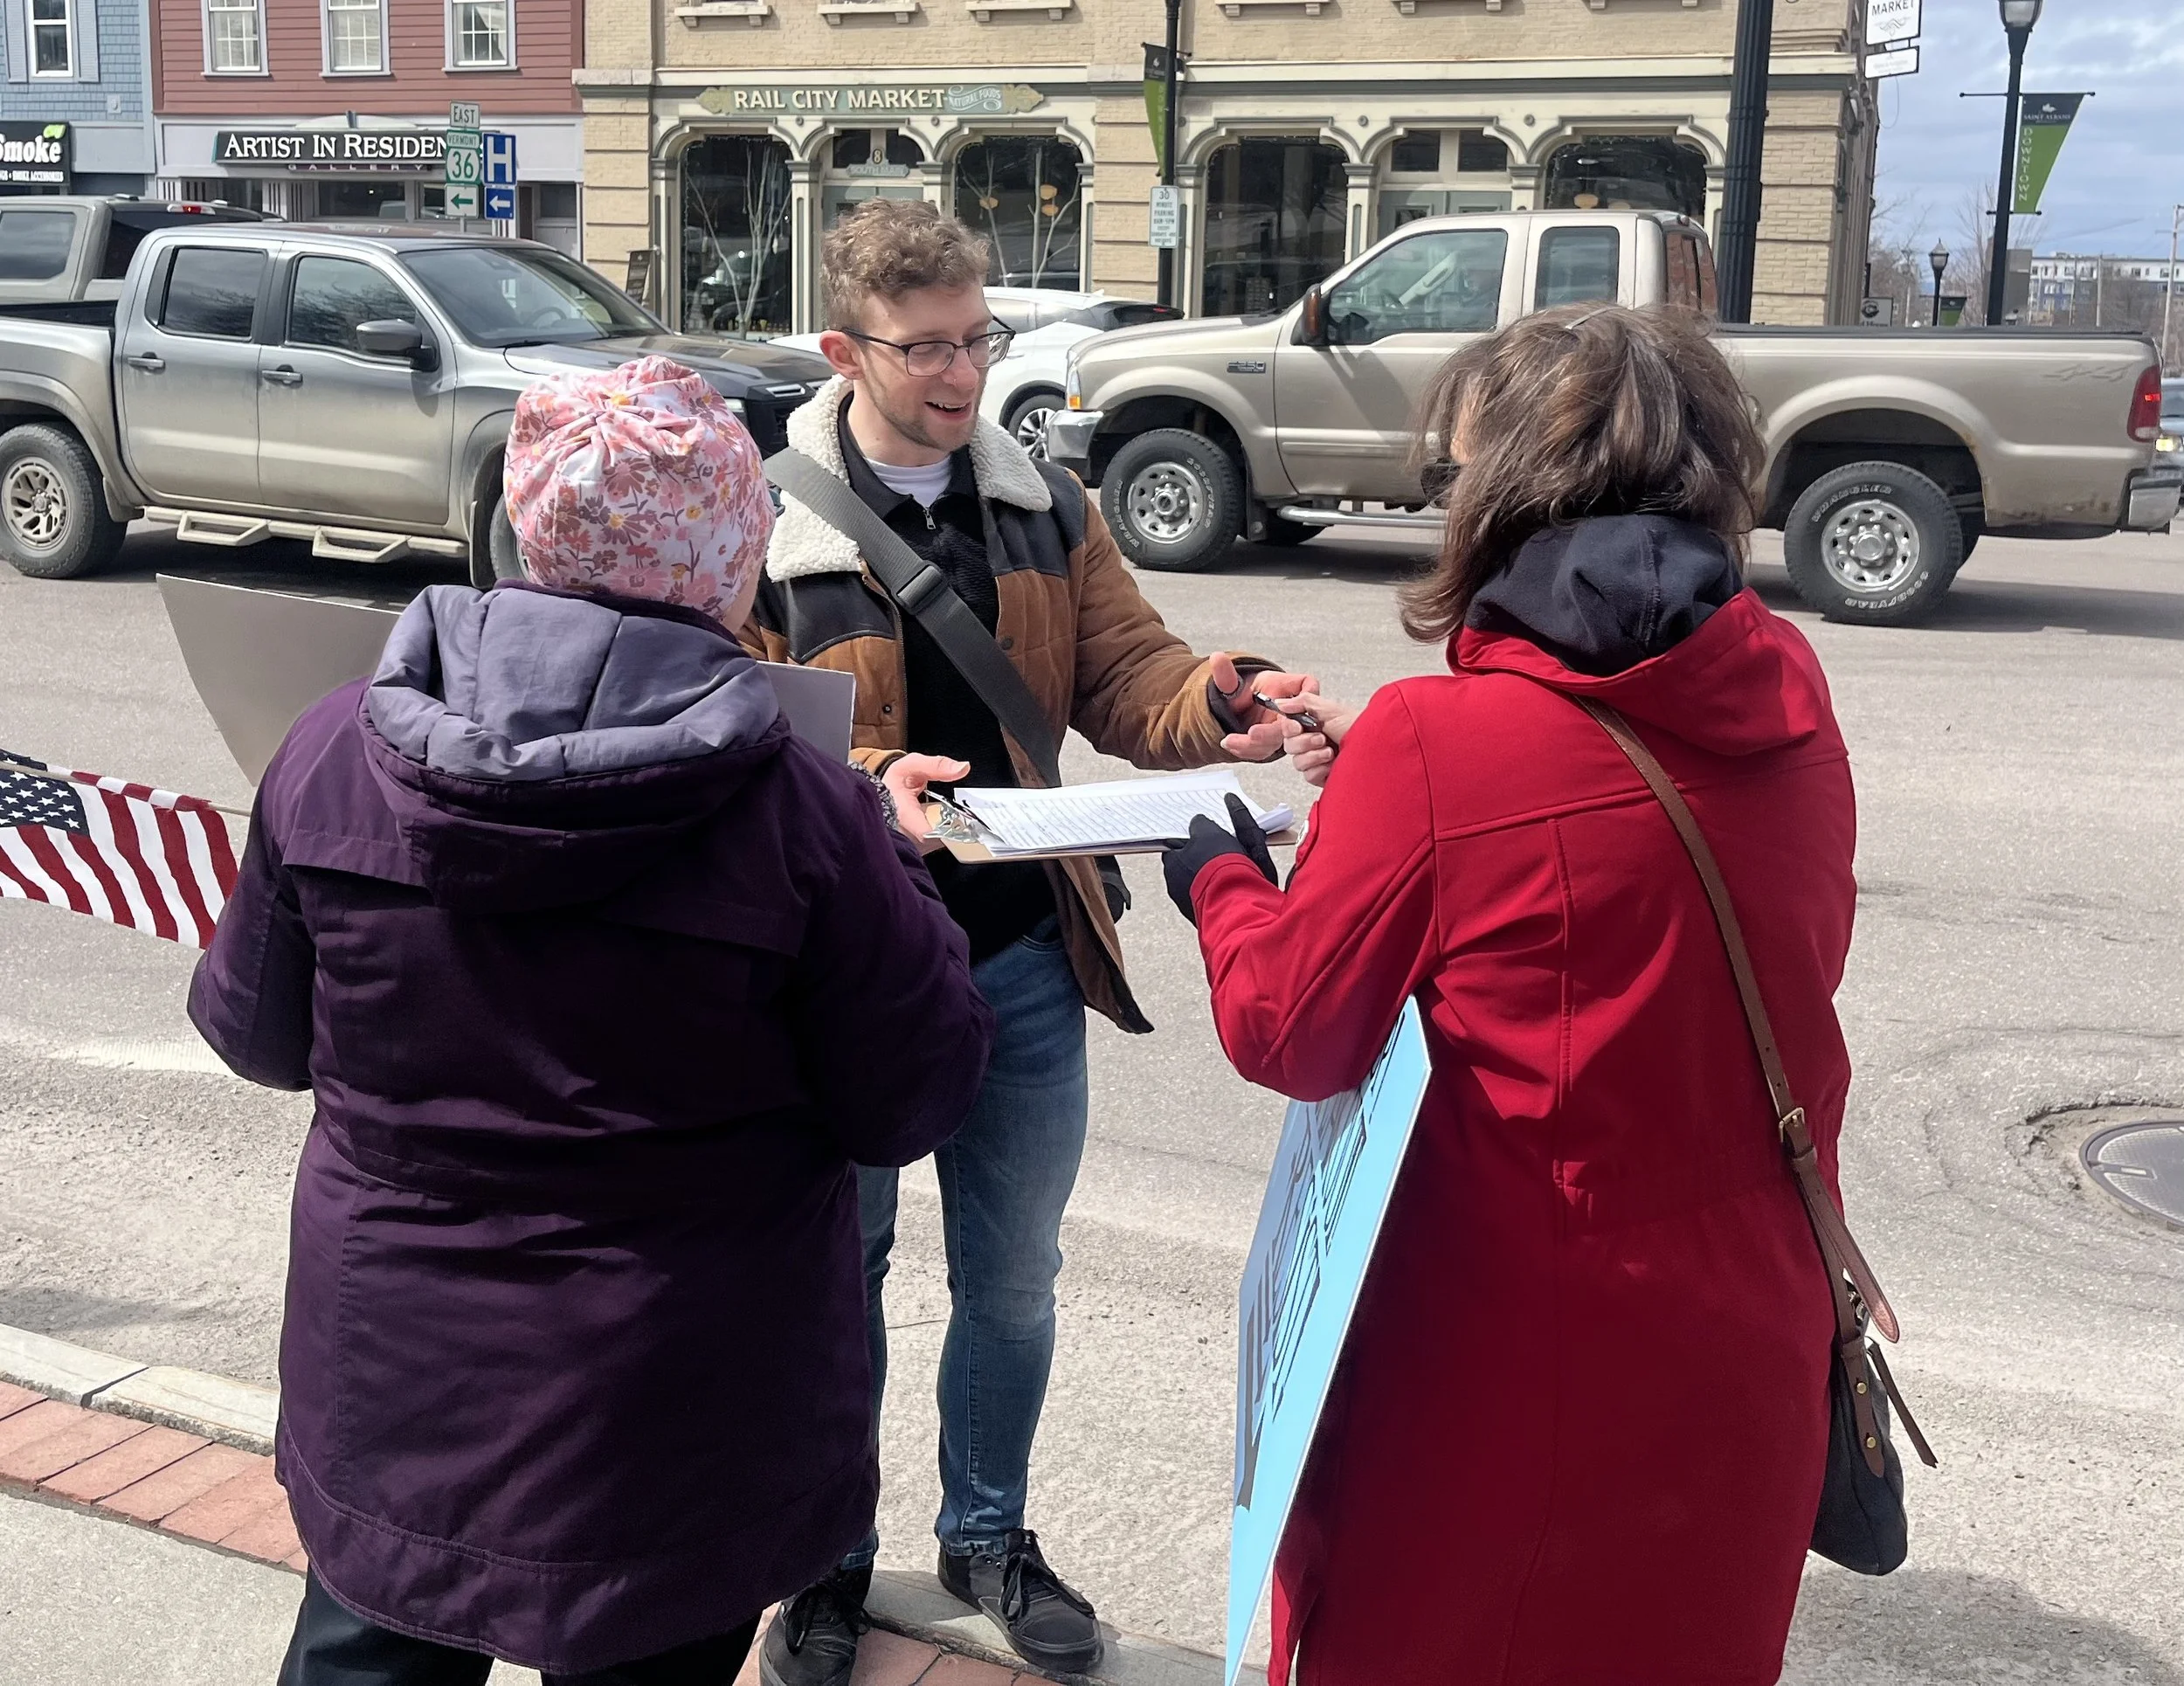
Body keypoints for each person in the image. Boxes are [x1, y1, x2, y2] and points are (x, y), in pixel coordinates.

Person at [189, 356, 993, 1686]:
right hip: (673, 1409)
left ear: (526, 526)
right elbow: (912, 1095)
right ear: (732, 560)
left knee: (365, 1654)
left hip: (398, 1379)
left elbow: (261, 1038)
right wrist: (897, 863)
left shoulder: (334, 748)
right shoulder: (811, 817)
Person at [1164, 304, 1860, 1684]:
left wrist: (1223, 879)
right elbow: (1613, 814)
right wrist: (1393, 768)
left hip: (1512, 1363)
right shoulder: (1788, 691)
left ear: (1500, 495)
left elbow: (1288, 1026)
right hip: (1748, 1335)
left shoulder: (1439, 745)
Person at [741, 199, 1310, 1685]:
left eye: (976, 337)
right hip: (842, 968)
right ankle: (824, 1558)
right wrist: (867, 793)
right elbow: (726, 717)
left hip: (1019, 957)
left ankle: (986, 1533)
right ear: (843, 346)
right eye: (923, 346)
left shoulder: (1044, 500)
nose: (958, 371)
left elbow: (1131, 673)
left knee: (1014, 1276)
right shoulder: (766, 513)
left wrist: (1223, 702)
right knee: (835, 1274)